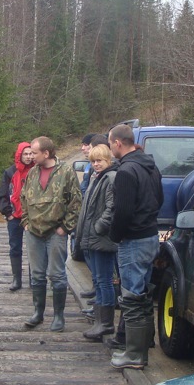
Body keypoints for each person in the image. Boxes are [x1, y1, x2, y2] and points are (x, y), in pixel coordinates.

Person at [107, 123, 163, 369]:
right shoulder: (151, 166)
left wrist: (116, 236)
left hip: (134, 240)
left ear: (118, 143)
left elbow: (123, 211)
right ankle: (142, 347)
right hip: (150, 237)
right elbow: (159, 199)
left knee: (131, 297)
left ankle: (134, 355)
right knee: (143, 296)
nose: (110, 149)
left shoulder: (127, 171)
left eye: (110, 144)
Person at [20, 136, 82, 332]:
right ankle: (38, 313)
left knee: (57, 275)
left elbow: (76, 202)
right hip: (34, 233)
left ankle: (58, 316)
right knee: (37, 276)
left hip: (56, 232)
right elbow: (23, 198)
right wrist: (25, 222)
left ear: (46, 153)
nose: (31, 156)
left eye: (35, 152)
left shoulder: (65, 171)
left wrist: (66, 227)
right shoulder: (32, 173)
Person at [74, 143, 118, 341]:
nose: (96, 164)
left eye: (99, 160)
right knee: (99, 280)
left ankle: (106, 323)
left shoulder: (110, 178)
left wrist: (99, 227)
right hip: (93, 238)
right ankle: (100, 320)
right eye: (93, 161)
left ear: (108, 160)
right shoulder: (96, 178)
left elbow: (112, 207)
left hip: (102, 238)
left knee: (104, 280)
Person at [0, 142, 35, 292]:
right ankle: (16, 279)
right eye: (25, 154)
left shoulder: (36, 170)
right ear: (19, 155)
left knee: (33, 248)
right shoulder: (10, 172)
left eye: (31, 153)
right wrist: (8, 213)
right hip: (15, 216)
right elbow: (3, 195)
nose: (29, 157)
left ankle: (34, 279)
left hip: (33, 217)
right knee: (15, 247)